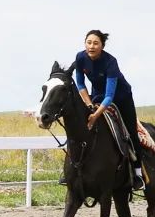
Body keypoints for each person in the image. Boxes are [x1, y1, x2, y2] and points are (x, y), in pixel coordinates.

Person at [61, 30, 146, 190]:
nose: (91, 46)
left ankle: (137, 173)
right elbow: (80, 84)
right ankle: (73, 169)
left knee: (130, 133)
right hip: (98, 95)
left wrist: (95, 116)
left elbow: (110, 95)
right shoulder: (80, 58)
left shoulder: (110, 62)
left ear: (102, 46)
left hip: (121, 97)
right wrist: (88, 106)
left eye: (95, 43)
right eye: (89, 42)